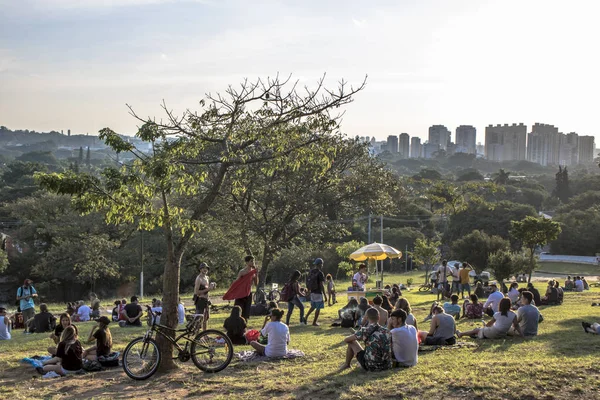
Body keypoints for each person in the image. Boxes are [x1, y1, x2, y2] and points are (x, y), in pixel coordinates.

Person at [458, 298, 523, 339]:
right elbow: (516, 325)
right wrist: (521, 335)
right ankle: (475, 335)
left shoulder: (497, 314)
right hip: (502, 334)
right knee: (480, 330)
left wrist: (485, 326)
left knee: (477, 329)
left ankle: (461, 334)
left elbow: (489, 324)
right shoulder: (513, 315)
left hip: (494, 332)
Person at [229, 255, 259, 320]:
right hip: (241, 294)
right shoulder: (242, 271)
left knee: (246, 311)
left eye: (253, 261)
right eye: (251, 261)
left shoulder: (253, 272)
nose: (253, 262)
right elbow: (237, 282)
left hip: (248, 294)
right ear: (247, 262)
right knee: (238, 310)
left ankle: (244, 325)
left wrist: (256, 274)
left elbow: (256, 284)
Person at [304, 258, 328, 326]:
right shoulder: (320, 273)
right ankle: (314, 322)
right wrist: (325, 295)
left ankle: (305, 317)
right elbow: (321, 285)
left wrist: (308, 290)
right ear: (320, 264)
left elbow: (308, 281)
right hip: (318, 292)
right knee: (318, 307)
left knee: (313, 306)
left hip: (312, 292)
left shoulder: (311, 271)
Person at [194, 262, 213, 331]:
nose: (205, 269)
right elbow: (196, 292)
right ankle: (197, 335)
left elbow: (206, 290)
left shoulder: (207, 278)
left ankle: (205, 334)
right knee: (199, 318)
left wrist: (211, 286)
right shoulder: (199, 279)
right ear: (200, 269)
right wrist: (209, 289)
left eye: (206, 268)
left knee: (206, 318)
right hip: (200, 300)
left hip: (206, 300)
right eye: (203, 268)